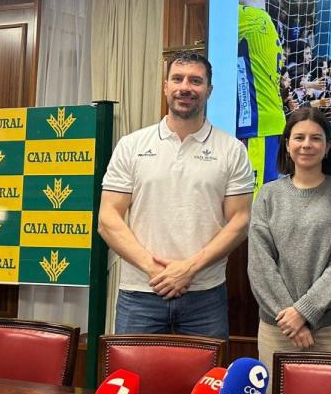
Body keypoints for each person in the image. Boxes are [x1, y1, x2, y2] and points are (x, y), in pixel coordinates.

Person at [99, 52, 254, 339]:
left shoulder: (232, 150)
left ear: (209, 90)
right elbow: (108, 218)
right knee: (134, 382)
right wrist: (155, 270)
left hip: (205, 296)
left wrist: (189, 269)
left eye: (196, 81)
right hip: (140, 293)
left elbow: (240, 221)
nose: (186, 87)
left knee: (203, 383)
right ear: (165, 86)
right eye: (178, 79)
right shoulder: (131, 145)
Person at [248, 107, 331, 371]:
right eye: (299, 137)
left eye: (316, 138)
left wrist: (304, 312)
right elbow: (260, 264)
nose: (307, 145)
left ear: (328, 147)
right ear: (287, 145)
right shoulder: (268, 195)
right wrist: (290, 317)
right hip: (279, 326)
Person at [238, 0, 287, 188]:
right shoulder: (268, 24)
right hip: (268, 122)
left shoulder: (249, 16)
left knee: (255, 202)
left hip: (258, 125)